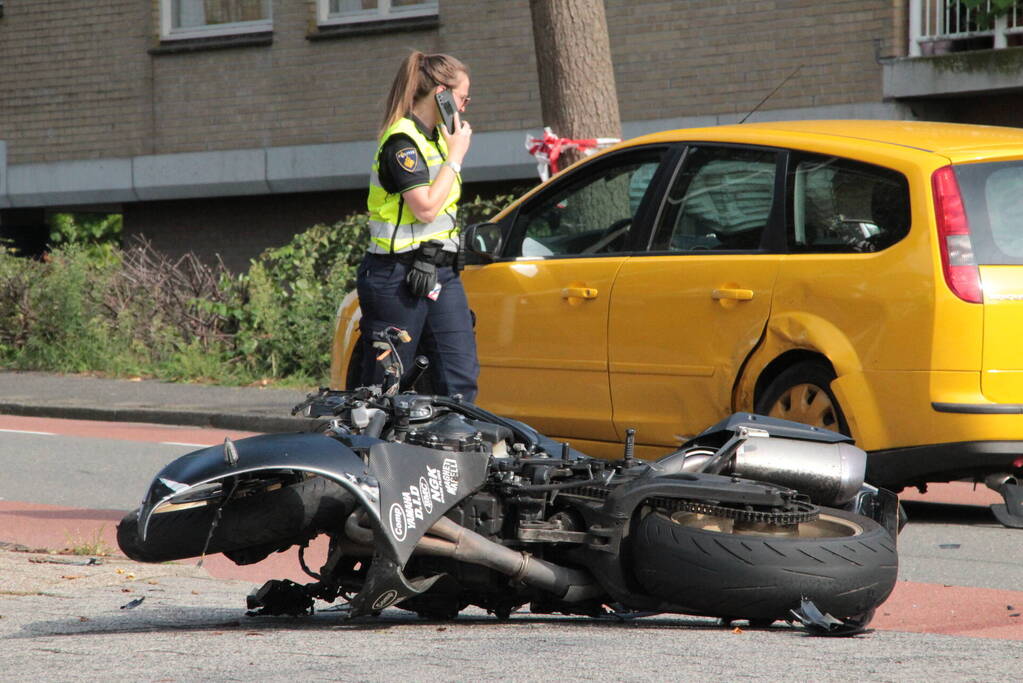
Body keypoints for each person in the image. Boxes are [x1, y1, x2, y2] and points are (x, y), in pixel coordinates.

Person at [356, 51, 479, 401]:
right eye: (461, 98)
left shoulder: (438, 138)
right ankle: (367, 450)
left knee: (459, 377)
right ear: (441, 93)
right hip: (396, 275)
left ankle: (452, 451)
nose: (464, 107)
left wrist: (451, 151)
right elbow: (425, 208)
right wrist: (455, 159)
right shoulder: (402, 141)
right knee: (387, 381)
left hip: (439, 272)